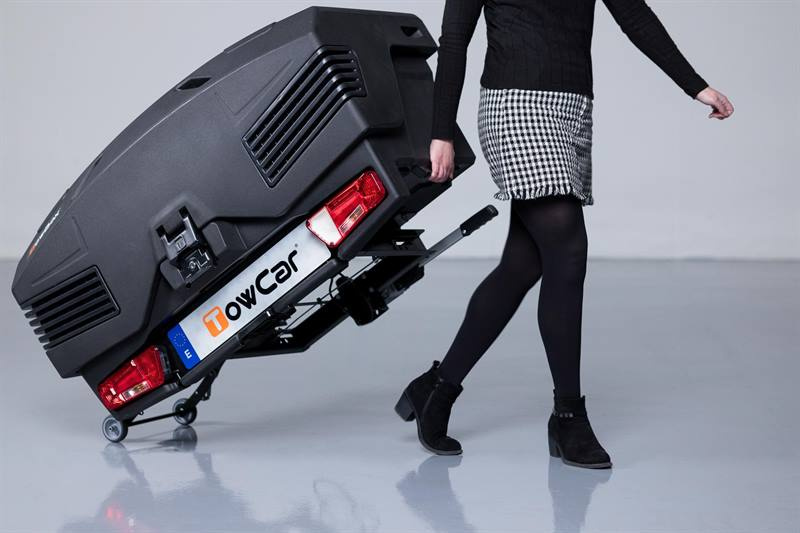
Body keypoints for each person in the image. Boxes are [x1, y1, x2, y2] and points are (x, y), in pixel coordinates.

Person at [394, 0, 733, 467]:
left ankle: (436, 388)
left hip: (573, 109)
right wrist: (441, 132)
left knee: (521, 266)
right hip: (515, 107)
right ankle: (568, 416)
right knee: (568, 250)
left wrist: (696, 86)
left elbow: (634, 15)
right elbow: (455, 39)